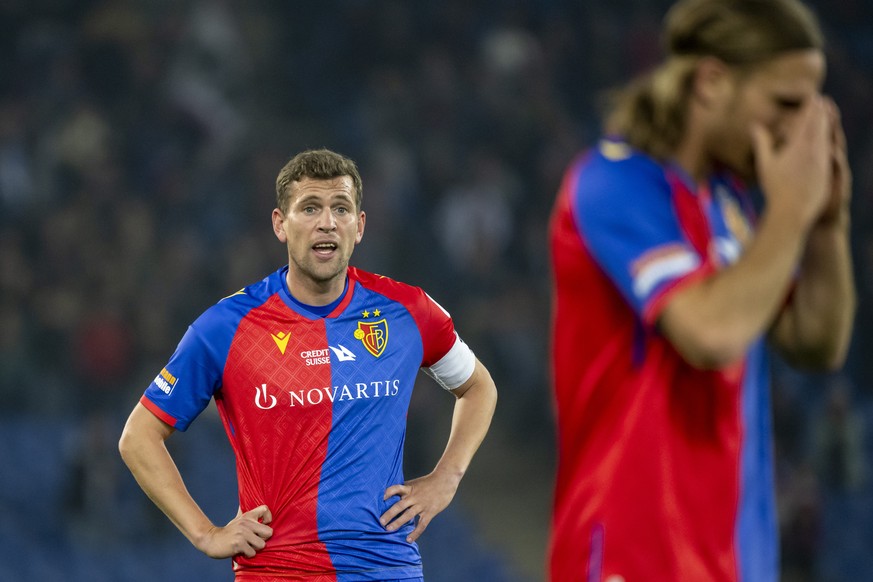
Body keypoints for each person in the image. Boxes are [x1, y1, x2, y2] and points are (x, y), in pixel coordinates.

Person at [547, 0, 855, 580]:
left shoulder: (728, 205)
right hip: (632, 558)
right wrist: (790, 208)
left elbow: (815, 340)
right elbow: (710, 335)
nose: (798, 129)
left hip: (730, 559)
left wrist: (824, 222)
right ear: (712, 82)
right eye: (785, 103)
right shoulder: (613, 183)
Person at [119, 148, 498, 581]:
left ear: (360, 225)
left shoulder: (407, 310)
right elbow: (139, 436)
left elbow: (478, 387)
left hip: (386, 568)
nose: (327, 222)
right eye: (310, 208)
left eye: (341, 208)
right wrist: (205, 533)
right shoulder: (226, 327)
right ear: (281, 224)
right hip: (277, 570)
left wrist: (447, 476)